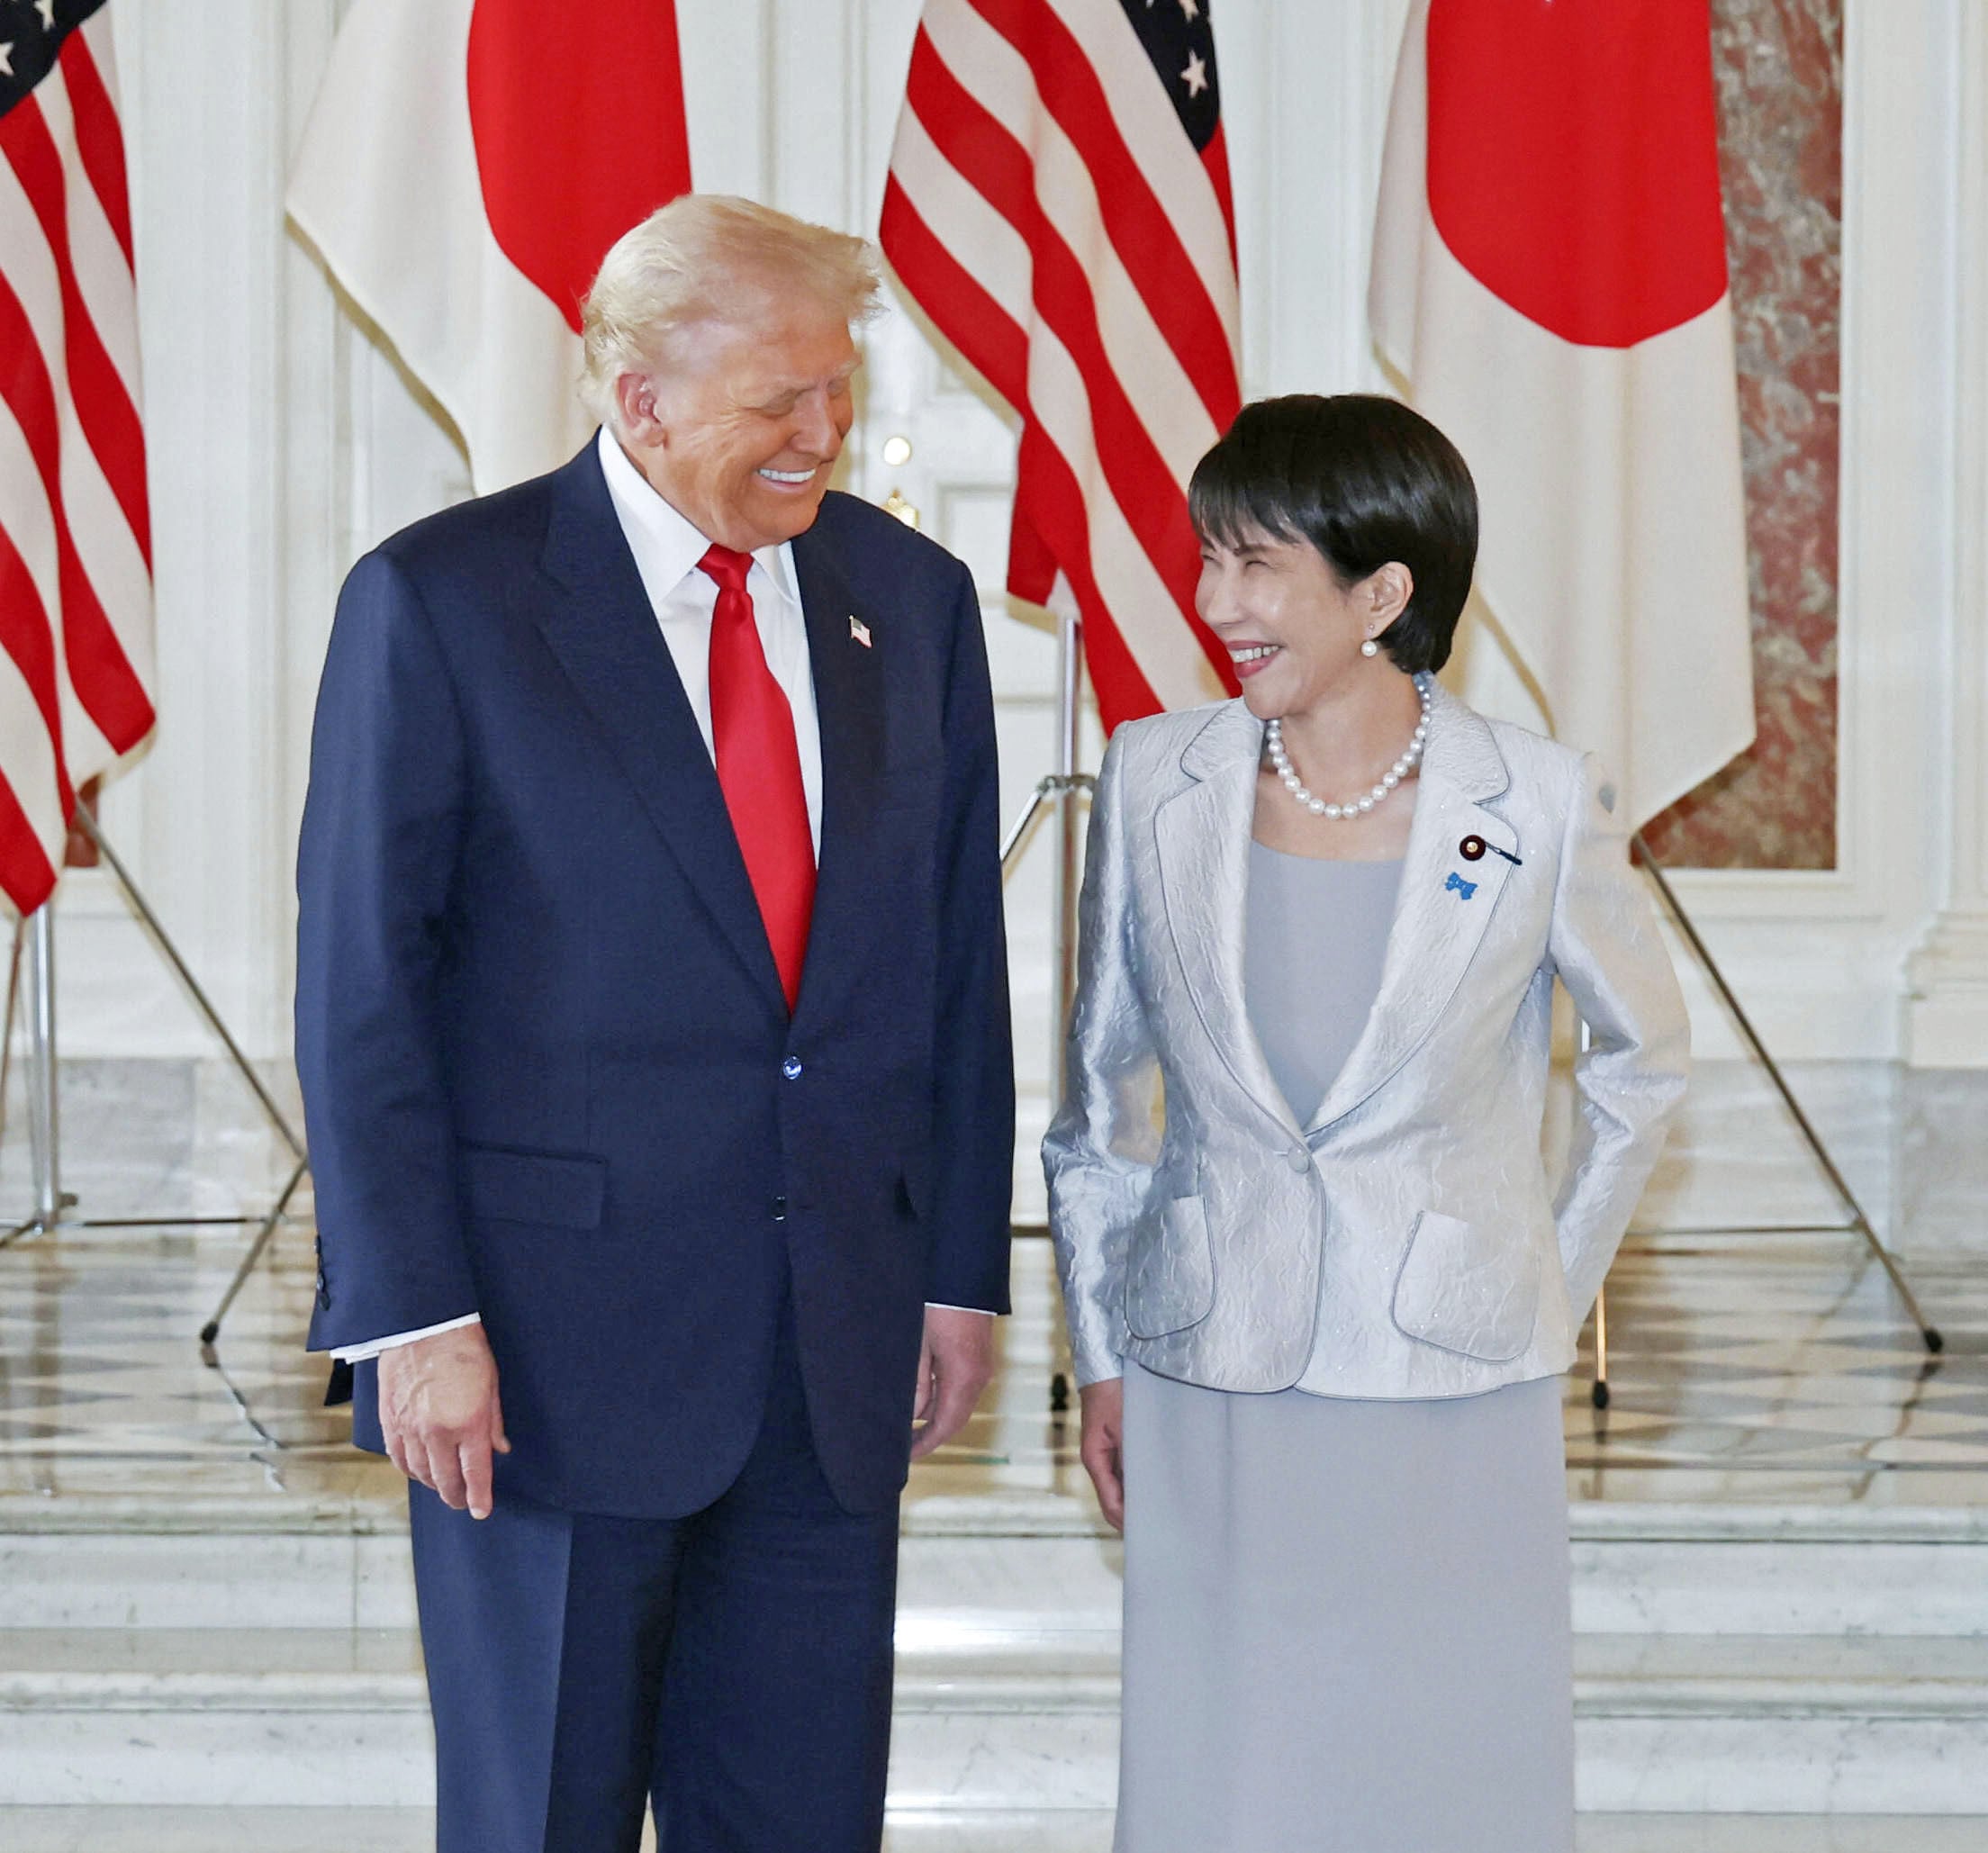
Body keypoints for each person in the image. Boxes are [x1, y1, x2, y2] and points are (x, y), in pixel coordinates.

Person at [295, 194, 1015, 1853]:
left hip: (830, 1358)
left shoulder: (912, 603)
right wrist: (412, 1316)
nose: (823, 433)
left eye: (836, 390)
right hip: (539, 1363)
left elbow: (950, 966)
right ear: (641, 400)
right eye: (780, 399)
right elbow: (365, 991)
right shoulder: (444, 603)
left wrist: (957, 1270)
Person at [1044, 393, 1688, 1853]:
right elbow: (1100, 1105)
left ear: (1384, 593)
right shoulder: (1157, 779)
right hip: (1212, 1371)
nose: (1218, 604)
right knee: (1229, 1775)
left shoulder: (1533, 798)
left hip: (1456, 1386)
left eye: (1258, 566)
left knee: (1449, 1772)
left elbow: (1646, 1064)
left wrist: (1538, 1280)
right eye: (1212, 560)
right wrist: (1099, 1352)